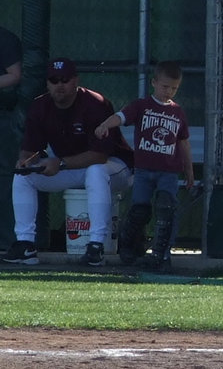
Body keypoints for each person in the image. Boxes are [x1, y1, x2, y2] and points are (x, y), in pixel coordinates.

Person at [3, 58, 134, 266]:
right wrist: (25, 161)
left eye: (64, 79)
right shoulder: (40, 105)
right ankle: (25, 244)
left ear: (75, 81)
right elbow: (30, 149)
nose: (59, 85)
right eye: (54, 80)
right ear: (47, 83)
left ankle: (96, 245)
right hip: (71, 167)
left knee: (96, 171)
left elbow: (100, 155)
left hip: (117, 167)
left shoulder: (95, 103)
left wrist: (61, 163)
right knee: (24, 177)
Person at [93, 60, 194, 270]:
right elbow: (121, 117)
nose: (169, 92)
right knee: (140, 209)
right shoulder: (142, 106)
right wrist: (104, 124)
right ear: (154, 82)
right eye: (165, 86)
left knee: (166, 208)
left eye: (174, 88)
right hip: (143, 170)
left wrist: (189, 170)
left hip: (168, 171)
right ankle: (129, 246)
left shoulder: (178, 113)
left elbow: (183, 142)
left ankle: (161, 255)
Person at [0, 24, 22, 248]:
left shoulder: (4, 38)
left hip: (3, 117)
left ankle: (8, 241)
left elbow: (15, 75)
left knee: (5, 177)